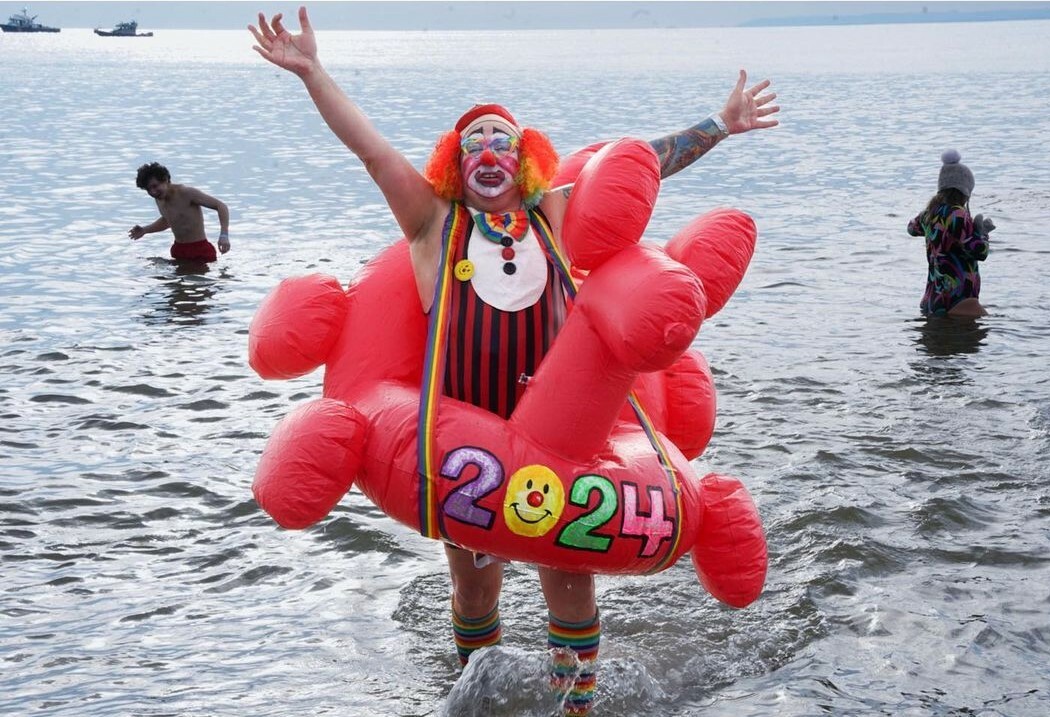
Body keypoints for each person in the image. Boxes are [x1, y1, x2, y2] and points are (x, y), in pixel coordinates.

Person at [249, 6, 778, 714]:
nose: (488, 151)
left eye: (501, 139)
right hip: (465, 436)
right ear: (454, 165)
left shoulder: (554, 217)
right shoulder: (432, 225)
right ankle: (478, 692)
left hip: (561, 436)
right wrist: (314, 72)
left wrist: (719, 123)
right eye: (473, 144)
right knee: (474, 586)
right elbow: (370, 149)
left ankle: (576, 705)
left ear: (524, 158)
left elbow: (645, 162)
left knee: (570, 576)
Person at [908, 150, 994, 317]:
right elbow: (979, 252)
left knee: (938, 341)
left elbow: (911, 228)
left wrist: (929, 221)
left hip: (934, 296)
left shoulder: (928, 213)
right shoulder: (958, 215)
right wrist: (982, 233)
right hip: (959, 297)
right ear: (965, 190)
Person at [129, 162, 231, 263]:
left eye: (155, 186)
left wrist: (224, 236)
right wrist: (145, 230)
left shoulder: (186, 193)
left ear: (165, 179)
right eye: (148, 189)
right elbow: (168, 220)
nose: (153, 192)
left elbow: (221, 206)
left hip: (199, 249)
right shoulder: (159, 198)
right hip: (178, 249)